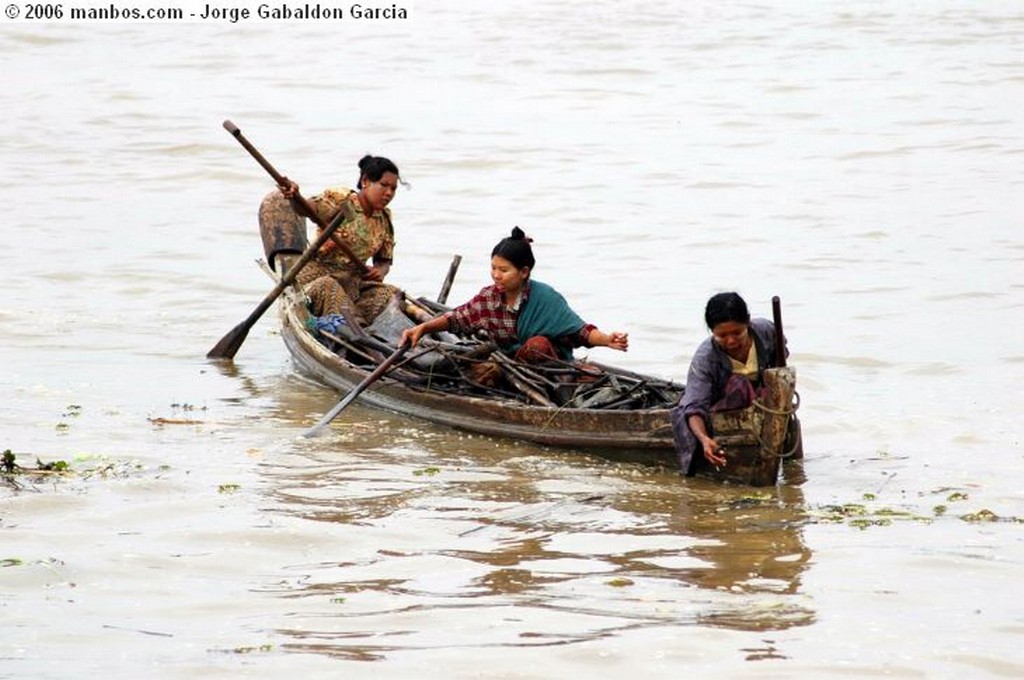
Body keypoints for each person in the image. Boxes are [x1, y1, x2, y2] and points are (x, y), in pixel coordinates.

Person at [400, 227, 628, 363]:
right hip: (509, 367)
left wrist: (607, 340)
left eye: (504, 270)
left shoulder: (545, 298)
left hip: (551, 368)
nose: (496, 275)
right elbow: (456, 318)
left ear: (524, 272)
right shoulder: (489, 298)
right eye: (493, 268)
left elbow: (579, 332)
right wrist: (423, 328)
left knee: (537, 345)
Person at [671, 292, 788, 474]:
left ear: (748, 322)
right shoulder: (705, 358)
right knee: (738, 386)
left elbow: (780, 361)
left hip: (764, 405)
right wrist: (704, 439)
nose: (731, 341)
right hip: (723, 406)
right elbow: (694, 406)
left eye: (737, 333)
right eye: (722, 336)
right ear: (712, 332)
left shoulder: (765, 331)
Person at [279, 154, 401, 326]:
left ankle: (358, 325)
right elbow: (306, 209)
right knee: (330, 289)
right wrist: (294, 196)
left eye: (393, 189)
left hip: (352, 284)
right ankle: (349, 328)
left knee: (390, 294)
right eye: (384, 185)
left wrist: (380, 271)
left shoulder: (384, 218)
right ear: (365, 181)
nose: (389, 193)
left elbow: (384, 260)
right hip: (317, 277)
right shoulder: (342, 200)